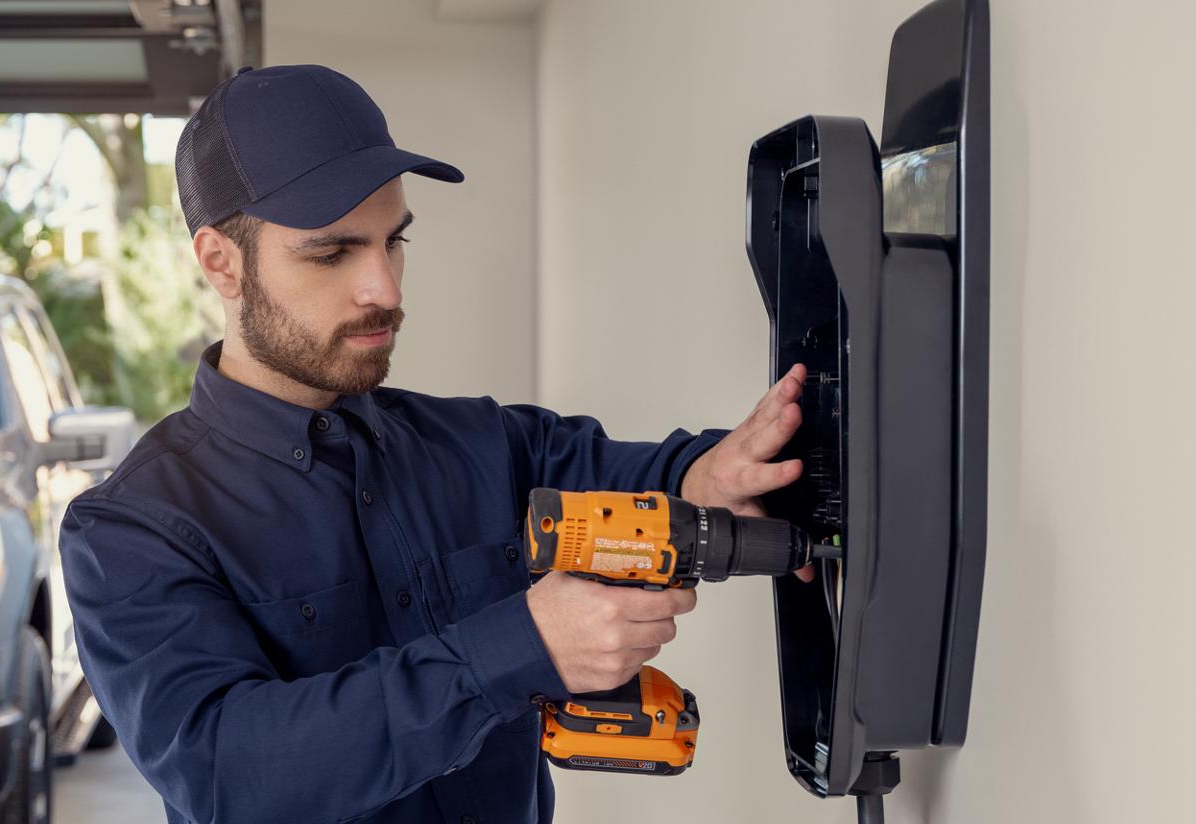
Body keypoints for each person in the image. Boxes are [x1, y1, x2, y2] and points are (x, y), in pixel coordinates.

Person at [59, 64, 808, 824]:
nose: (385, 288)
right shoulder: (129, 531)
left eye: (395, 240)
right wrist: (523, 644)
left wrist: (715, 472)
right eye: (333, 253)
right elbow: (229, 773)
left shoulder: (485, 444)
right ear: (222, 261)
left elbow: (663, 478)